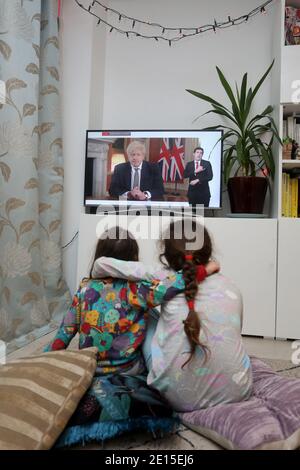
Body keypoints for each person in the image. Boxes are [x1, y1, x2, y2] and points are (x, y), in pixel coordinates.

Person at [93, 220, 253, 413]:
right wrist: (205, 270)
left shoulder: (161, 276)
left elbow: (100, 264)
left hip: (174, 397)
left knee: (147, 310)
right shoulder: (231, 287)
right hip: (238, 392)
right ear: (208, 252)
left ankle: (135, 363)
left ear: (166, 255)